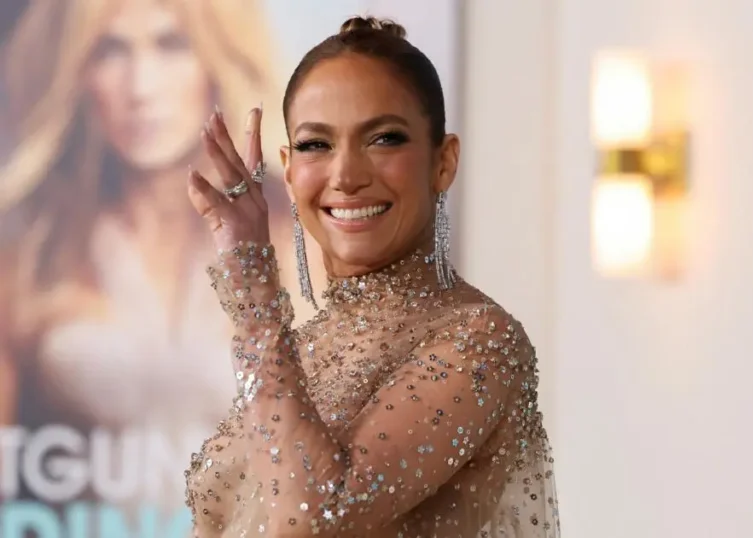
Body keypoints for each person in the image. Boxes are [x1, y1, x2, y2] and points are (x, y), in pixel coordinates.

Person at [182, 16, 560, 538]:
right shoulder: (302, 348)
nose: (346, 176)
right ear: (288, 171)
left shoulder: (479, 341)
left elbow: (314, 516)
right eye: (316, 145)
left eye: (384, 139)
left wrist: (253, 288)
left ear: (444, 161)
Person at [0, 0, 316, 520]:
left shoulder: (301, 240)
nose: (141, 87)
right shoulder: (31, 253)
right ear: (78, 71)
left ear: (215, 60)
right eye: (110, 50)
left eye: (172, 45)